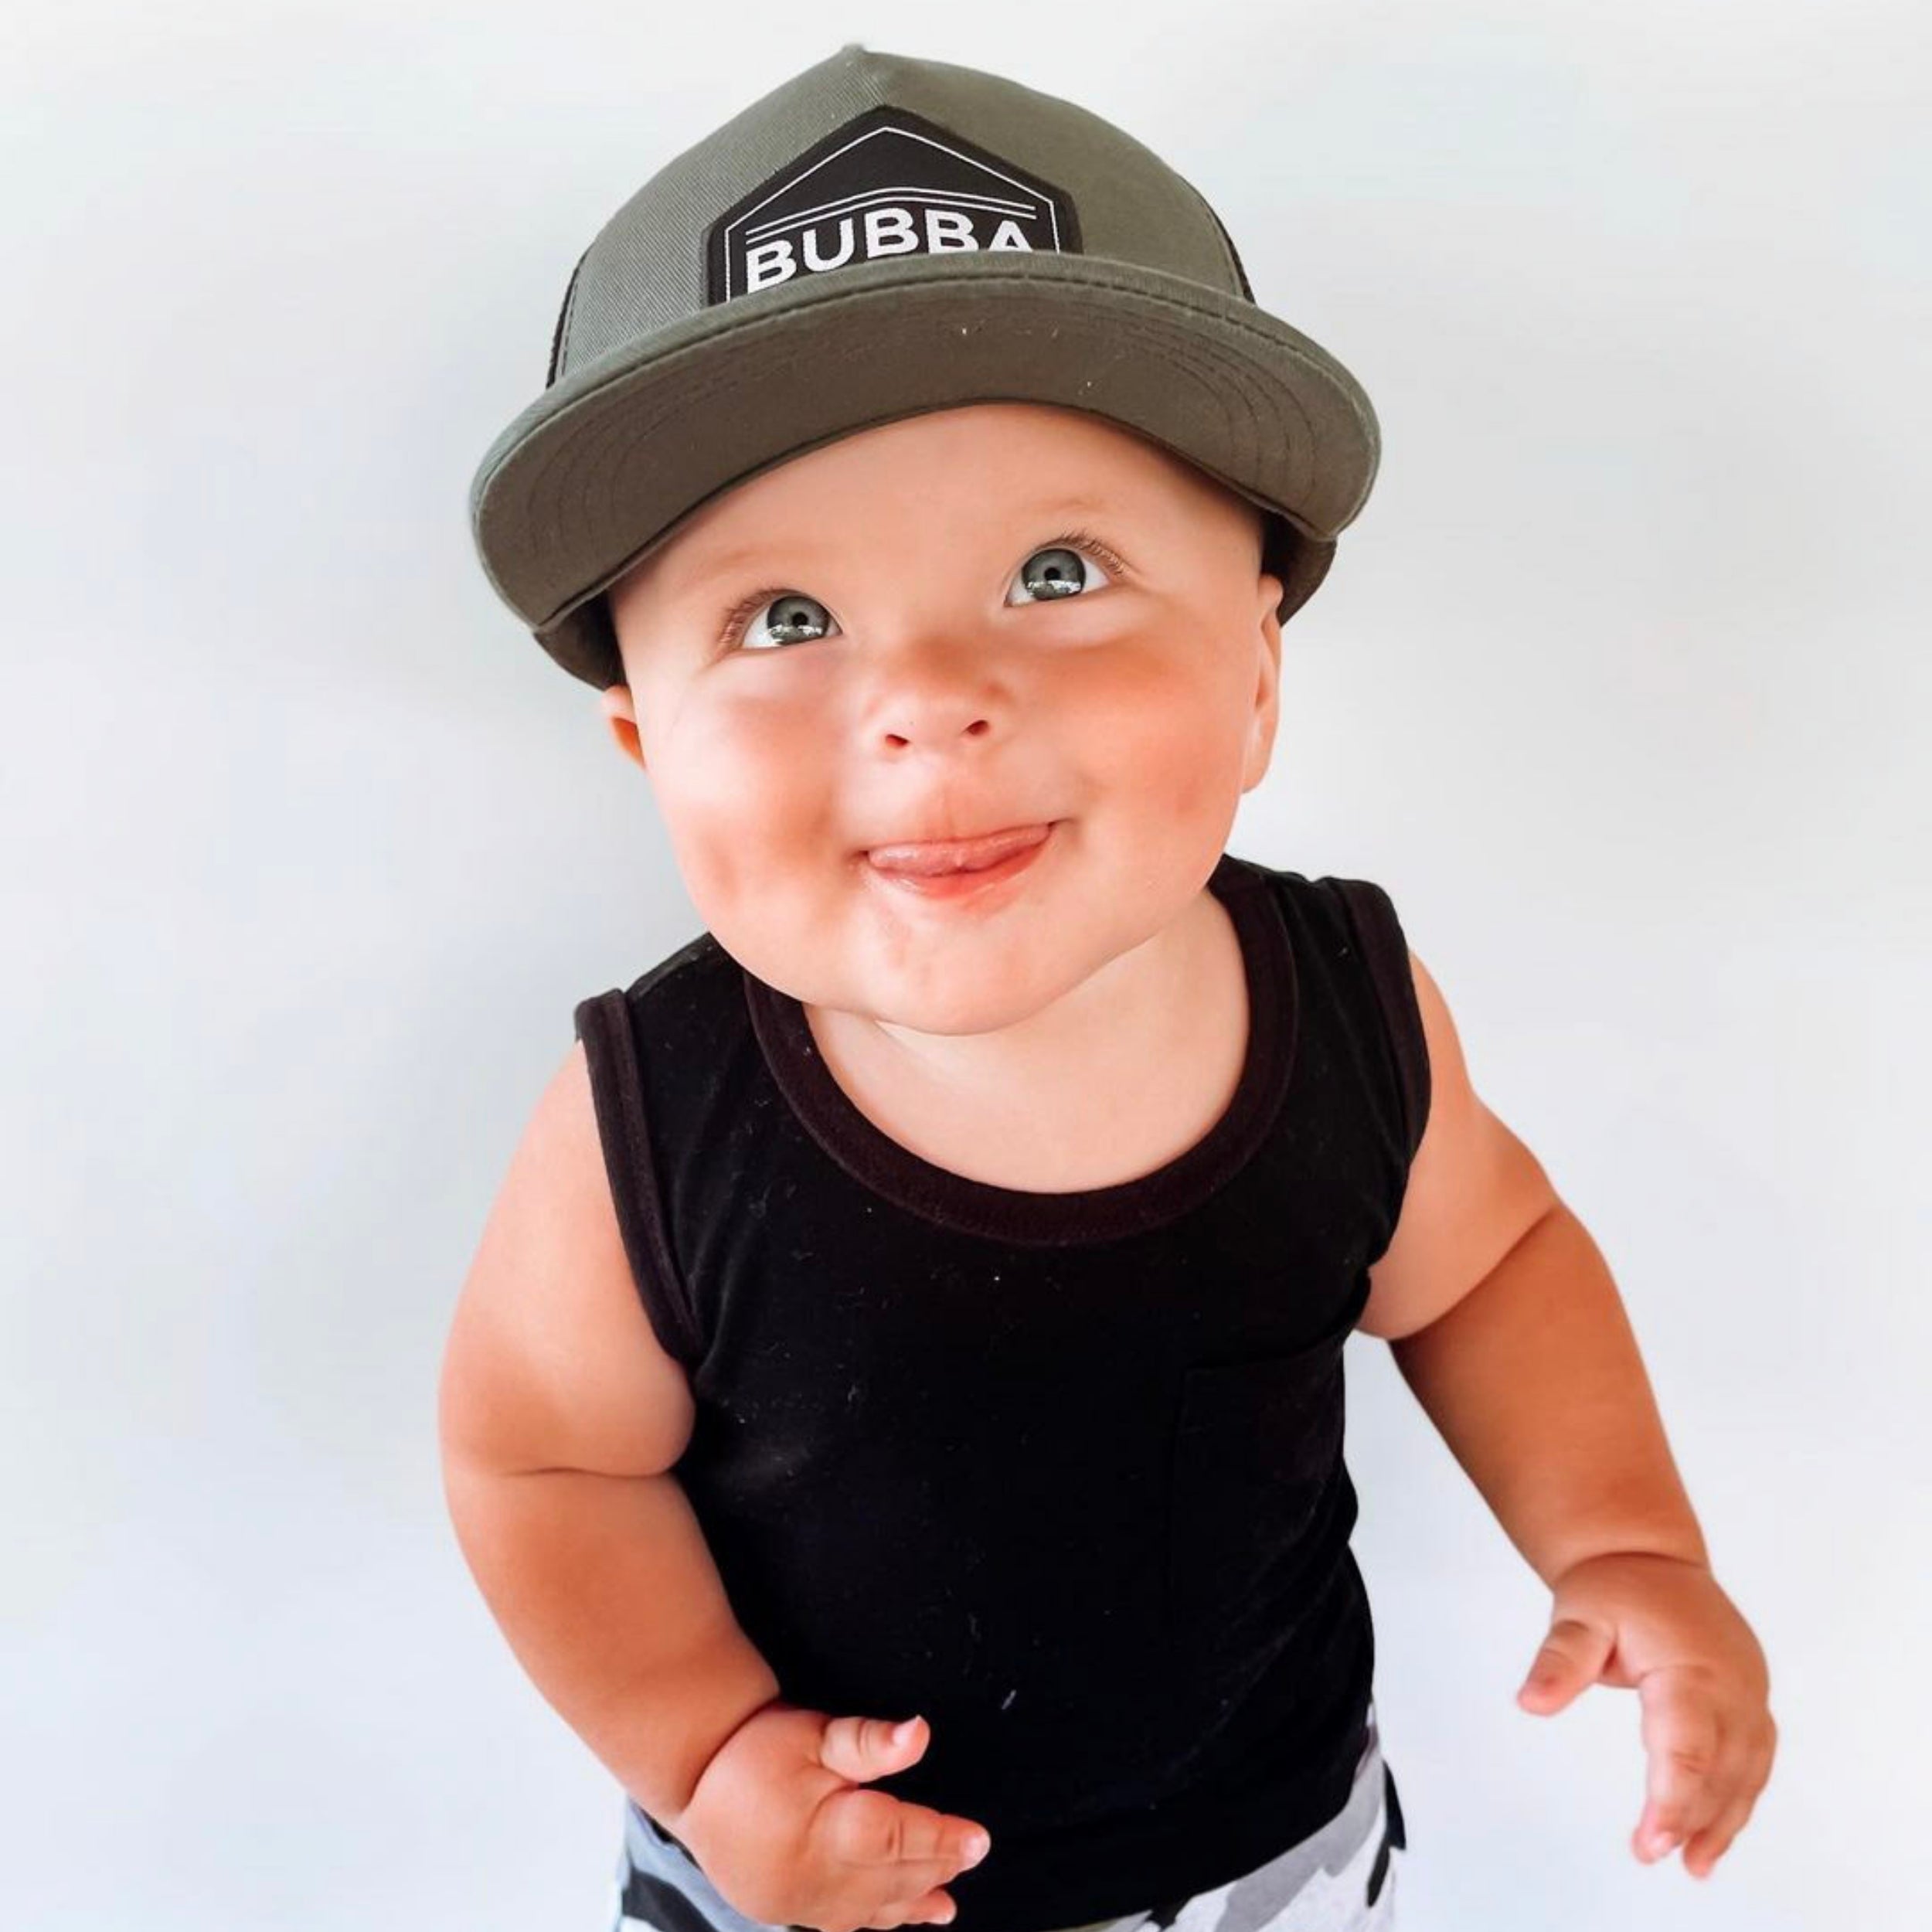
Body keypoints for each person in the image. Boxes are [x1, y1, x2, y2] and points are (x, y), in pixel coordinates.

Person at [440, 43, 1776, 1932]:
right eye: (786, 618)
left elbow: (1485, 1264)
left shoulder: (1347, 1002)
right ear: (648, 743)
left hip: (1273, 1852)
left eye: (1056, 569)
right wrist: (709, 1751)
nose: (926, 696)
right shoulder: (649, 1114)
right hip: (810, 1882)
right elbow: (541, 1459)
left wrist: (1627, 1536)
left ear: (1256, 670)